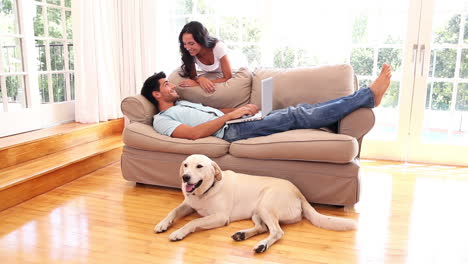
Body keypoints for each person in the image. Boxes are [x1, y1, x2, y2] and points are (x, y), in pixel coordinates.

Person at [141, 64, 392, 143]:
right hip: (231, 131)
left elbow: (215, 112)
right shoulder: (162, 120)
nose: (172, 86)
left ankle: (363, 99)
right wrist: (231, 117)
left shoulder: (182, 105)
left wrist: (245, 109)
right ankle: (367, 96)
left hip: (237, 121)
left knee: (300, 111)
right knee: (297, 114)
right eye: (166, 85)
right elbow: (195, 134)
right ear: (155, 95)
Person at [177, 21, 232, 93]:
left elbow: (228, 77)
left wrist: (198, 83)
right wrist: (200, 79)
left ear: (201, 40)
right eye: (185, 43)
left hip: (233, 71)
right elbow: (193, 76)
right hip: (214, 75)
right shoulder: (190, 52)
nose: (187, 48)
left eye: (191, 43)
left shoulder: (218, 47)